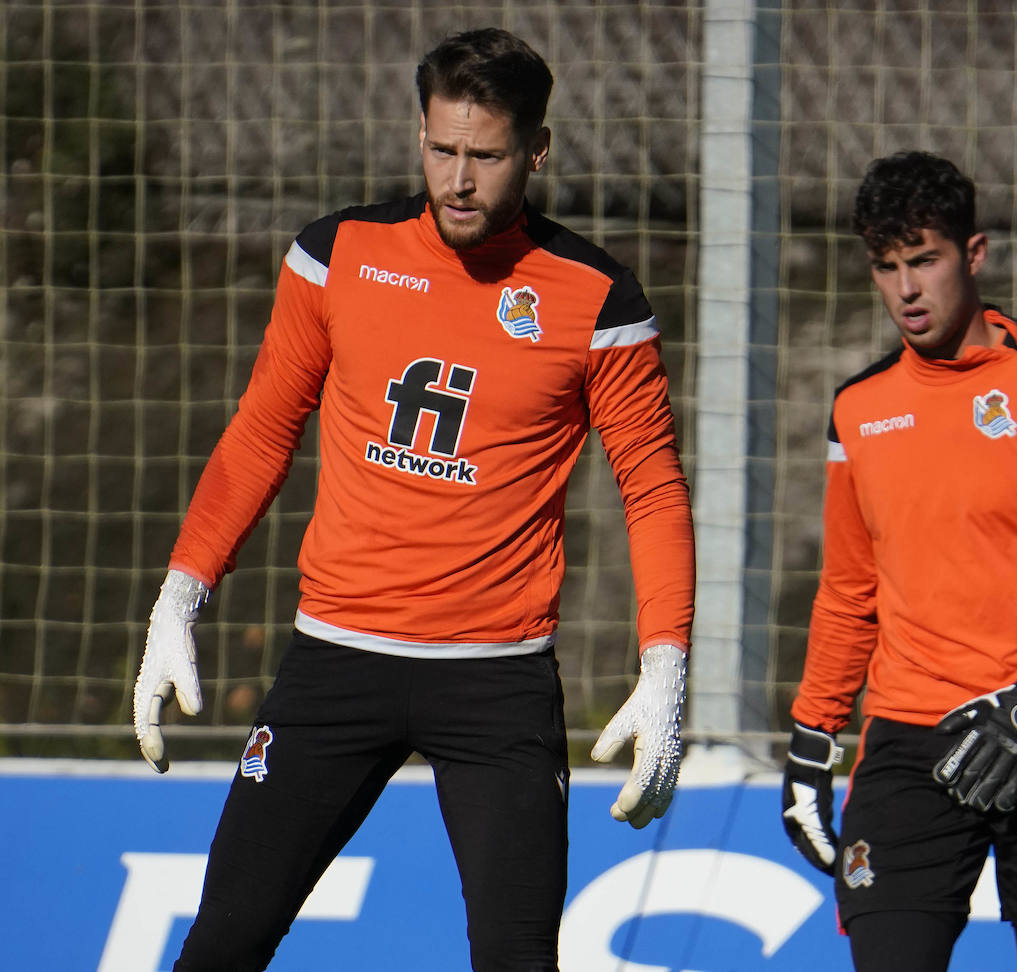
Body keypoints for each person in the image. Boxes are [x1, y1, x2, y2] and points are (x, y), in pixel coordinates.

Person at [132, 28, 694, 972]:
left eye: (486, 156)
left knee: (519, 960)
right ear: (419, 133)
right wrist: (180, 596)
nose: (458, 180)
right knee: (222, 941)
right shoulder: (337, 254)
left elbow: (653, 491)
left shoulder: (597, 298)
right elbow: (261, 434)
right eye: (442, 150)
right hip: (334, 662)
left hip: (497, 678)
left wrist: (666, 665)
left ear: (537, 151)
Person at [780, 150, 1017, 972]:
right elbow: (849, 590)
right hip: (911, 744)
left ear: (973, 255)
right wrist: (812, 734)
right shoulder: (859, 409)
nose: (906, 290)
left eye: (925, 261)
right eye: (886, 267)